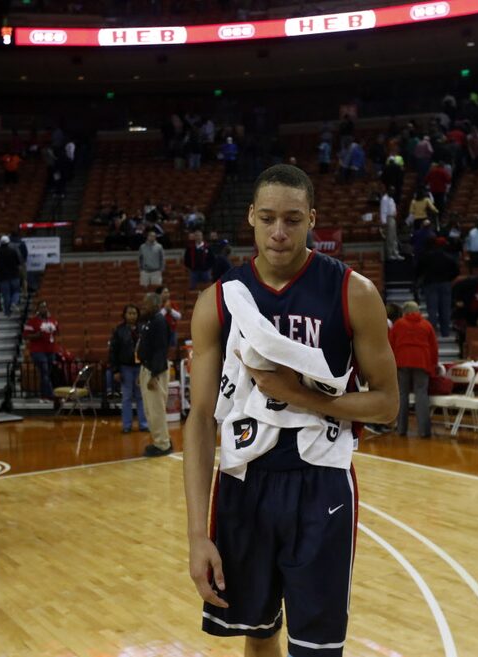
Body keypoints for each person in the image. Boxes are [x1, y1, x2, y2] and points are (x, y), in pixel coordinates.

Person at [184, 164, 397, 657]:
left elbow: (387, 405)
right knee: (258, 635)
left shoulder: (353, 292)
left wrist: (300, 395)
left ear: (312, 220)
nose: (279, 232)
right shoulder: (217, 301)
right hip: (243, 485)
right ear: (251, 218)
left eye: (293, 220)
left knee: (316, 649)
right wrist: (197, 535)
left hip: (320, 484)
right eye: (269, 218)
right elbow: (199, 419)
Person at [390, 300, 438, 439]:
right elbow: (434, 347)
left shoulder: (398, 324)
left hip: (402, 362)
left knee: (402, 395)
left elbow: (391, 345)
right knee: (421, 394)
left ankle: (401, 429)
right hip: (422, 362)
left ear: (404, 312)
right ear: (418, 311)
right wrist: (433, 366)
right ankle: (424, 431)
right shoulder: (426, 325)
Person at [136, 293, 171, 457]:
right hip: (146, 368)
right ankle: (159, 440)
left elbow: (160, 350)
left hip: (155, 371)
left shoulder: (159, 321)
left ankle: (163, 444)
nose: (143, 307)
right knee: (150, 410)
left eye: (146, 304)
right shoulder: (150, 321)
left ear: (156, 305)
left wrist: (153, 375)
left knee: (156, 409)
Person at [109, 304, 148, 434]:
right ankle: (127, 425)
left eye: (134, 313)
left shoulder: (143, 329)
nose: (132, 316)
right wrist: (115, 370)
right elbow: (113, 351)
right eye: (129, 313)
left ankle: (143, 424)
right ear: (125, 315)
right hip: (125, 367)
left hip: (140, 367)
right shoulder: (118, 330)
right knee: (126, 397)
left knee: (141, 396)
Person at [416, 238, 459, 338]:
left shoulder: (427, 256)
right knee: (445, 309)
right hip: (445, 284)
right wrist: (448, 279)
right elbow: (456, 272)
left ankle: (432, 334)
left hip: (430, 284)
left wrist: (421, 279)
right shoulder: (449, 257)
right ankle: (445, 333)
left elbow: (418, 270)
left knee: (432, 309)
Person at [23, 301, 59, 403]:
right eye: (42, 307)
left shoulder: (52, 320)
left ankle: (44, 396)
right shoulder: (32, 321)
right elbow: (25, 336)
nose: (44, 308)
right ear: (38, 309)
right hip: (38, 351)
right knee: (44, 371)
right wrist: (37, 335)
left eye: (45, 307)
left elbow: (57, 331)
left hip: (51, 350)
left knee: (47, 373)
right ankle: (50, 395)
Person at [0, 235, 24, 317]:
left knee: (6, 295)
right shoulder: (13, 251)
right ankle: (14, 302)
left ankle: (7, 312)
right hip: (14, 275)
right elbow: (19, 262)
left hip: (2, 277)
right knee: (16, 291)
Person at [380, 185, 403, 260]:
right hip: (388, 219)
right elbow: (383, 211)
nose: (393, 192)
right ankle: (390, 254)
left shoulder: (391, 199)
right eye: (391, 190)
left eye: (393, 191)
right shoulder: (385, 199)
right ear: (388, 190)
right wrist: (384, 222)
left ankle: (396, 253)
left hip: (393, 218)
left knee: (394, 237)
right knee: (389, 237)